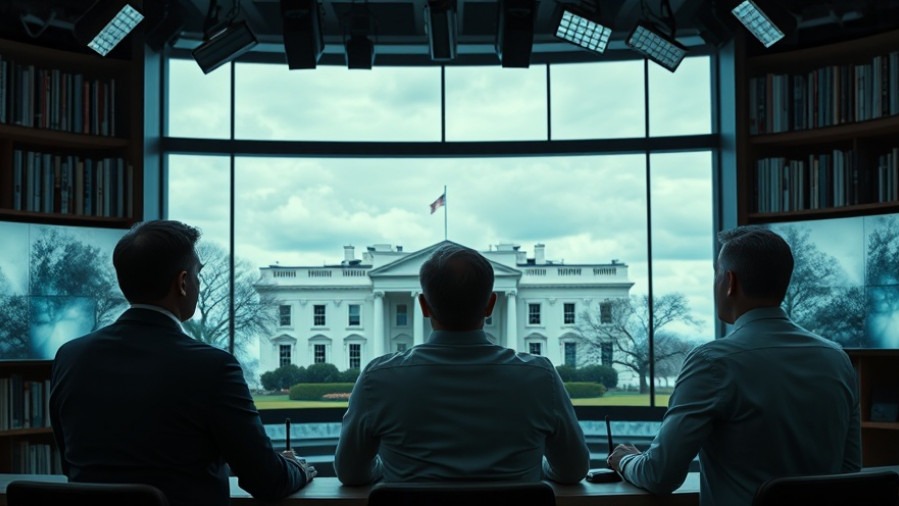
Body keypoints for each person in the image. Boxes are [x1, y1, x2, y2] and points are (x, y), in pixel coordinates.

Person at [49, 220, 316, 506]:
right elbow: (266, 480)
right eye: (198, 275)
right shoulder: (213, 367)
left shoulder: (69, 357)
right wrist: (297, 467)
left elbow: (72, 463)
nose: (199, 284)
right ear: (183, 283)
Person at [607, 226, 861, 505]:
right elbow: (849, 473)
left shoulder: (712, 362)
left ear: (729, 282)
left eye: (715, 274)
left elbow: (659, 475)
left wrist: (625, 459)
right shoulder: (838, 359)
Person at [333, 243, 590, 485]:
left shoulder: (378, 379)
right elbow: (573, 470)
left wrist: (390, 470)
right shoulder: (539, 377)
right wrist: (534, 468)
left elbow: (350, 473)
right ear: (491, 304)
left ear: (424, 305)